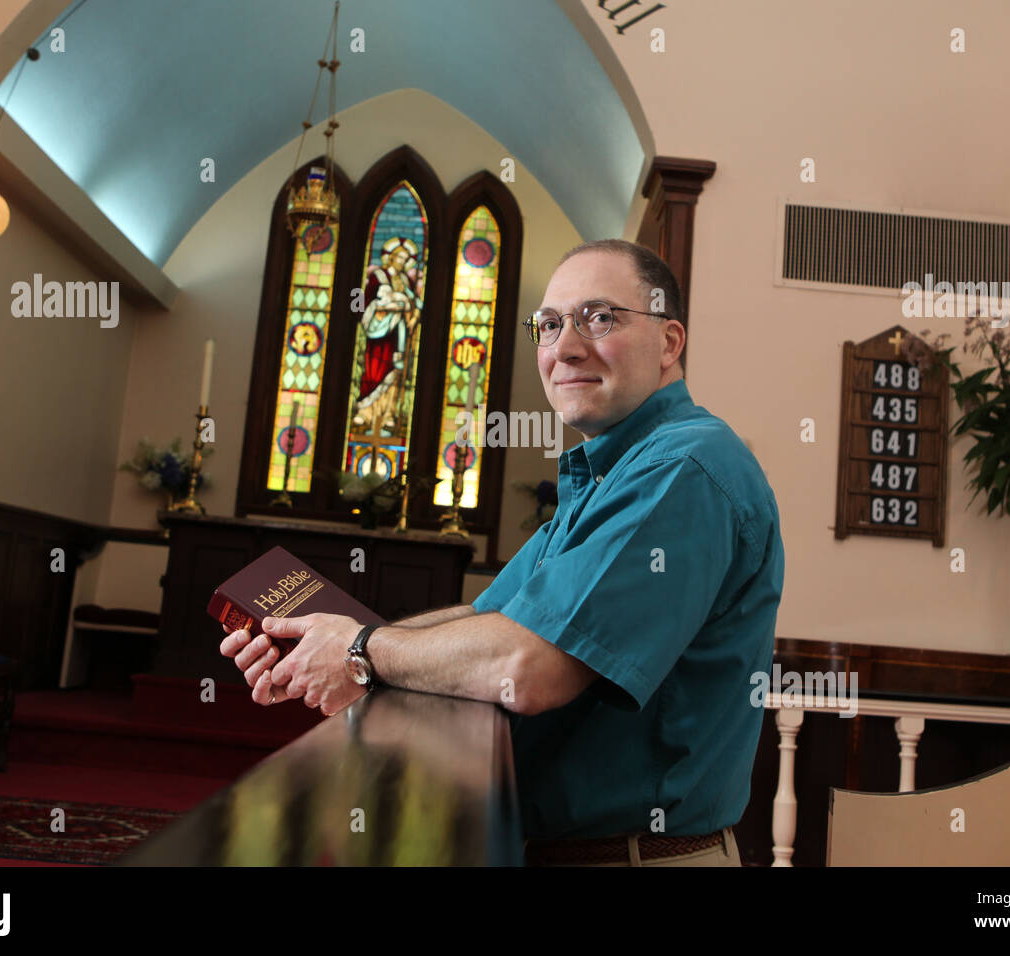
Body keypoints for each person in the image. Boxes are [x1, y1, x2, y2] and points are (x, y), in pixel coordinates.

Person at [220, 239, 785, 866]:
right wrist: (323, 643)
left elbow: (526, 665)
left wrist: (359, 653)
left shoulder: (685, 466)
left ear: (670, 341)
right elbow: (485, 620)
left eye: (600, 318)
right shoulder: (610, 473)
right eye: (548, 325)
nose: (565, 347)